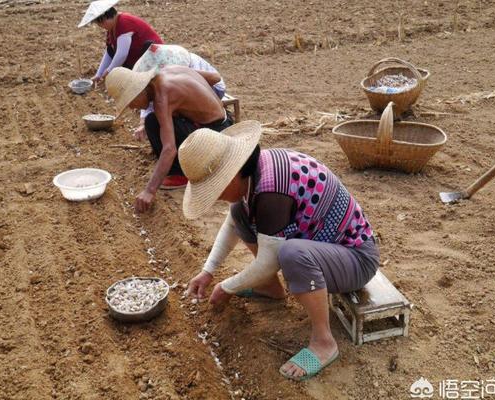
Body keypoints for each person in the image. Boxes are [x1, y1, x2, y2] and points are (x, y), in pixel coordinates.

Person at [179, 121, 379, 381]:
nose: (215, 196)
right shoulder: (256, 176)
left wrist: (227, 286)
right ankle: (270, 288)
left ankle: (323, 341)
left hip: (356, 259)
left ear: (233, 172)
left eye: (215, 188)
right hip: (327, 250)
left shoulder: (271, 192)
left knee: (292, 254)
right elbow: (233, 224)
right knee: (239, 212)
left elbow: (270, 260)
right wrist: (208, 271)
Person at [105, 65, 233, 211]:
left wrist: (149, 190)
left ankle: (180, 174)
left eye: (130, 103)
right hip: (224, 118)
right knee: (156, 120)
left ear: (138, 91)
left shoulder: (162, 98)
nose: (133, 108)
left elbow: (169, 149)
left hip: (216, 134)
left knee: (152, 123)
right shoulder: (169, 70)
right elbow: (215, 77)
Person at [131, 43, 227, 141]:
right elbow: (146, 97)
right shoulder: (168, 75)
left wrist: (196, 90)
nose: (132, 108)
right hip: (220, 116)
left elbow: (216, 78)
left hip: (215, 91)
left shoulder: (173, 75)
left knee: (163, 115)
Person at [78, 0, 163, 84]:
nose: (101, 27)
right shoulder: (112, 28)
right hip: (137, 58)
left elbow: (122, 54)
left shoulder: (124, 22)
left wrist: (108, 71)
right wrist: (99, 74)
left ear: (104, 19)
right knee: (113, 51)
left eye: (100, 24)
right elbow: (109, 52)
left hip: (154, 57)